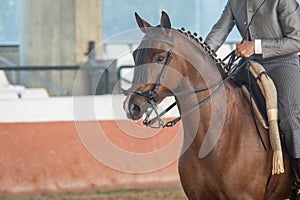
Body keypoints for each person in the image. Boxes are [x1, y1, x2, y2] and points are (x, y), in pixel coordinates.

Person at [204, 0, 300, 198]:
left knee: (290, 117)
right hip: (248, 64)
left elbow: (297, 39)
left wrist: (256, 46)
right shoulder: (234, 2)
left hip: (283, 64)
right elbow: (218, 32)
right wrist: (201, 57)